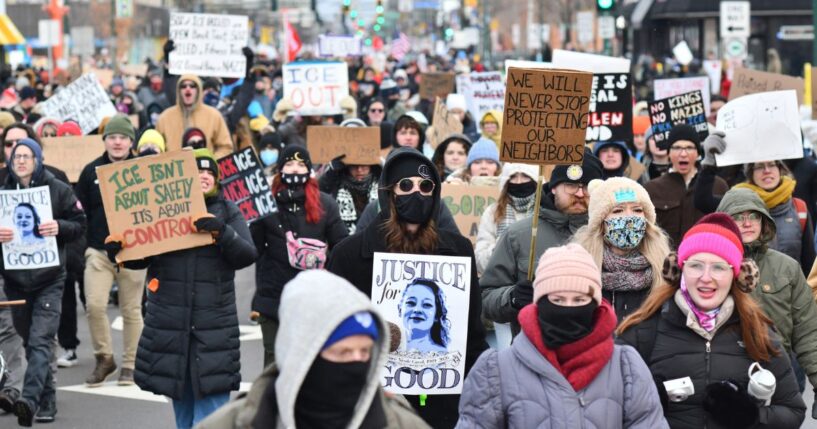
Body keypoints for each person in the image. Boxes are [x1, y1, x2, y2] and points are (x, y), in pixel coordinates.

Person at [326, 147, 488, 428]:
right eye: (406, 185)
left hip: (444, 403)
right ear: (389, 192)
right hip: (373, 402)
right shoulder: (349, 255)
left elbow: (472, 333)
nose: (417, 193)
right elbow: (330, 331)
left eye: (426, 186)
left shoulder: (458, 251)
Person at [104, 149, 257, 429]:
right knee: (184, 416)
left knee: (211, 416)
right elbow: (142, 257)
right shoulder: (164, 210)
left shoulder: (228, 210)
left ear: (217, 179)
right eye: (198, 172)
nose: (204, 177)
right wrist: (119, 251)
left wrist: (222, 232)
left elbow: (246, 255)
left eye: (209, 172)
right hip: (173, 329)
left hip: (213, 329)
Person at [616, 213, 806, 428]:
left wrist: (751, 417)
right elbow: (607, 406)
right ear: (678, 269)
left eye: (719, 267)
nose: (706, 277)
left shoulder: (758, 332)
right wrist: (647, 402)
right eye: (696, 265)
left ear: (737, 275)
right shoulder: (643, 330)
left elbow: (793, 411)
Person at [457, 244, 668, 429]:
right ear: (539, 303)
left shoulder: (626, 368)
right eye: (557, 300)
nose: (568, 308)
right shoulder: (495, 370)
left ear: (595, 305)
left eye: (579, 300)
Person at [196, 270, 430, 429]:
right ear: (303, 353)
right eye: (343, 352)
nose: (357, 362)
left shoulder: (400, 423)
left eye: (365, 351)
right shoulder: (237, 422)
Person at [0, 138, 86, 426]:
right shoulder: (3, 193)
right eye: (16, 157)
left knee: (41, 340)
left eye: (26, 156)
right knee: (29, 341)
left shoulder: (58, 189)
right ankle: (47, 396)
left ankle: (31, 399)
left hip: (49, 279)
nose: (20, 161)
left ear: (37, 160)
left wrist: (59, 227)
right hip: (14, 280)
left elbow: (80, 224)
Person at [480, 150, 604, 333]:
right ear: (553, 187)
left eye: (586, 187)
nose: (579, 193)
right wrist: (512, 297)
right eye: (571, 185)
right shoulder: (518, 235)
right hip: (532, 349)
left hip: (594, 350)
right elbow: (486, 298)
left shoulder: (606, 233)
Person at [250, 145, 348, 367]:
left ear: (309, 169)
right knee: (275, 369)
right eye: (289, 164)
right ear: (280, 169)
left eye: (300, 164)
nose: (295, 170)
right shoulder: (266, 205)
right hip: (273, 300)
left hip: (313, 301)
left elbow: (341, 247)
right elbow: (252, 250)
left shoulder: (325, 204)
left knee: (311, 368)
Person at [717, 188, 817, 402]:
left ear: (764, 221)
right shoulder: (712, 266)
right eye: (738, 217)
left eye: (753, 216)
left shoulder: (787, 267)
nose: (747, 223)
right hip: (724, 377)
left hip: (779, 374)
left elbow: (808, 332)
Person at [75, 115, 147, 388]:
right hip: (98, 251)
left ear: (131, 141)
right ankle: (104, 357)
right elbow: (79, 211)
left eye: (123, 137)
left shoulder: (142, 169)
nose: (117, 142)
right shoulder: (90, 171)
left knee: (132, 309)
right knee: (94, 305)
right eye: (112, 137)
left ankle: (130, 364)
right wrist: (83, 248)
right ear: (104, 141)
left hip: (134, 252)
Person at [695, 132, 815, 276]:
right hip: (749, 292)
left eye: (772, 164)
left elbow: (809, 262)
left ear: (780, 169)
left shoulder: (799, 208)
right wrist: (709, 163)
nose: (766, 171)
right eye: (759, 167)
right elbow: (702, 200)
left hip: (790, 293)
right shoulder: (737, 204)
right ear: (750, 173)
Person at [572, 177, 671, 322]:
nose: (629, 217)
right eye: (618, 211)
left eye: (637, 210)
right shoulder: (578, 268)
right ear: (601, 222)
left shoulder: (666, 271)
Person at [644, 124, 728, 247]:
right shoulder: (651, 189)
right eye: (677, 148)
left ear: (698, 153)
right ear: (668, 153)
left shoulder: (718, 185)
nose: (683, 154)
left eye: (689, 147)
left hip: (705, 258)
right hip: (665, 262)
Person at [474, 163, 538, 274]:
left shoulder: (545, 212)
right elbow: (480, 263)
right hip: (502, 284)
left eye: (525, 176)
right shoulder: (493, 212)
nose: (519, 182)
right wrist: (502, 245)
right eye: (513, 177)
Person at [155, 75, 233, 157]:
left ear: (199, 90)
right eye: (183, 86)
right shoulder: (165, 118)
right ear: (178, 90)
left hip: (204, 168)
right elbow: (157, 148)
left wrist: (210, 163)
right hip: (175, 168)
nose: (187, 89)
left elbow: (226, 147)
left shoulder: (214, 115)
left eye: (192, 86)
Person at [319, 152, 382, 235]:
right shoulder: (337, 183)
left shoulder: (381, 185)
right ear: (347, 167)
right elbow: (320, 190)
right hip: (343, 239)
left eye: (364, 165)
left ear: (371, 166)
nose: (359, 170)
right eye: (354, 166)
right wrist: (331, 171)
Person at [399, 278, 449, 354]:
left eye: (427, 304)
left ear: (436, 315)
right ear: (400, 309)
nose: (417, 310)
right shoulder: (385, 351)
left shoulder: (444, 357)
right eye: (411, 302)